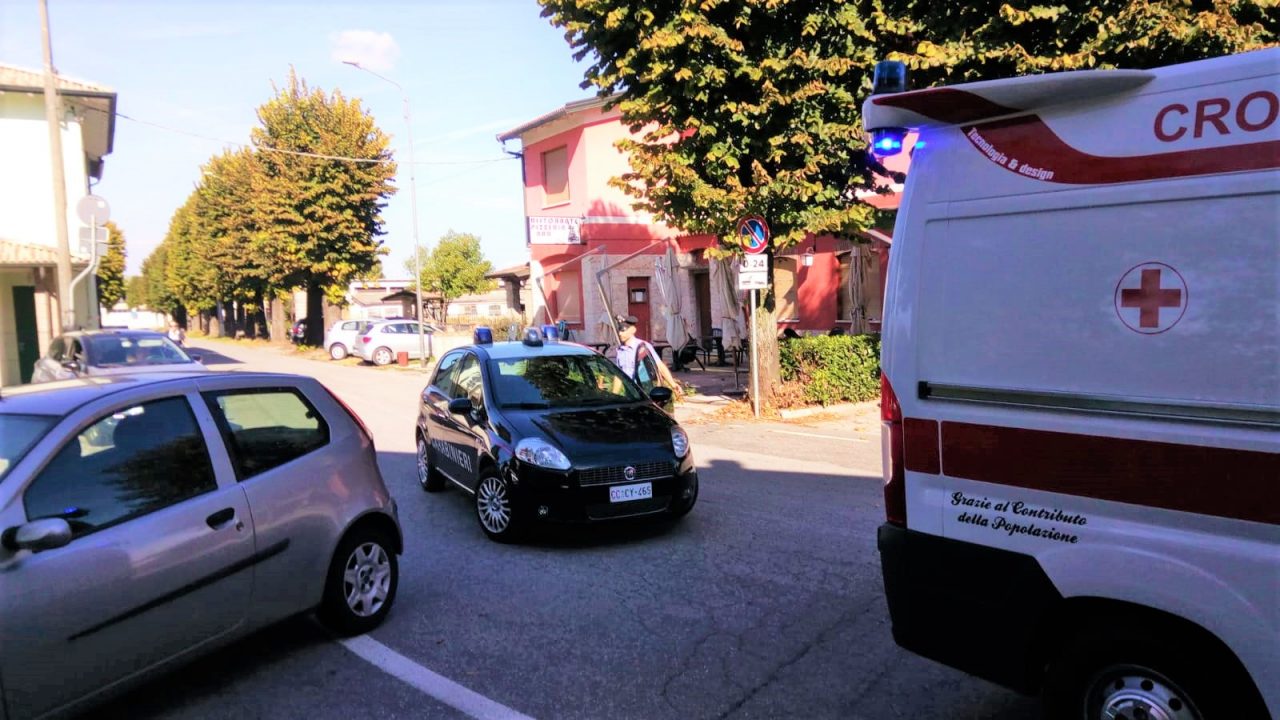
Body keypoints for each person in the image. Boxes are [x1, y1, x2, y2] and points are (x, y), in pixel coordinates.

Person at [612, 314, 683, 401]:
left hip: (645, 389)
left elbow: (659, 366)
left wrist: (673, 384)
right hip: (630, 392)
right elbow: (619, 375)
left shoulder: (643, 347)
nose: (620, 333)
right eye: (619, 330)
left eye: (623, 330)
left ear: (633, 330)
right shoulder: (620, 351)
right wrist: (613, 397)